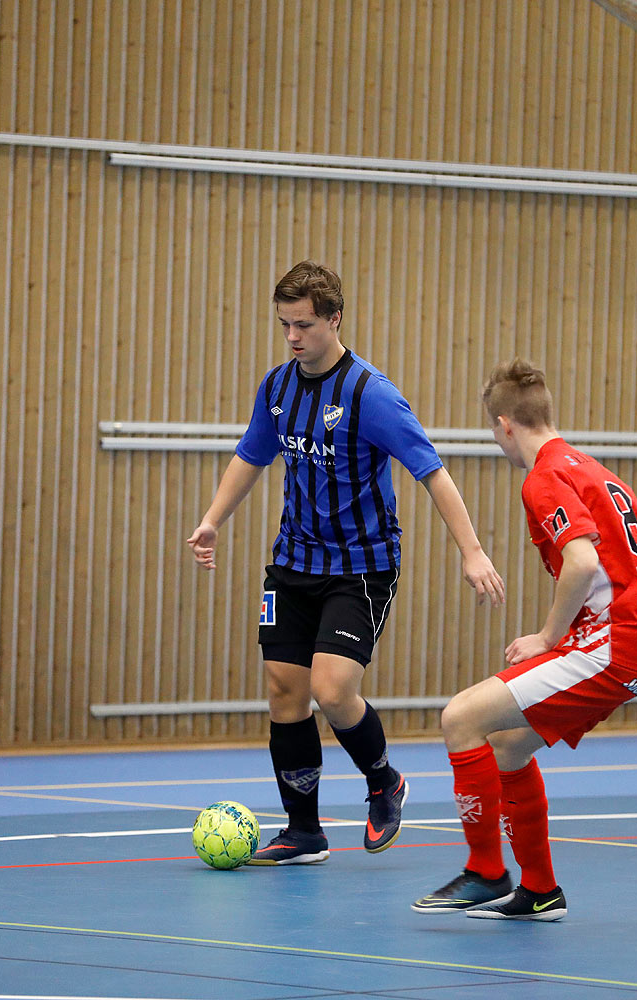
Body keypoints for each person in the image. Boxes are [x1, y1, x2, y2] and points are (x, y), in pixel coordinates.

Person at [187, 261, 505, 865]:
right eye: (284, 325)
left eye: (304, 324)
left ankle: (383, 780)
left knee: (332, 689)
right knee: (286, 691)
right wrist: (213, 519)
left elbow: (432, 473)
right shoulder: (276, 389)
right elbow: (250, 455)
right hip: (292, 563)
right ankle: (304, 832)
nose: (292, 337)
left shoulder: (371, 394)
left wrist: (472, 551)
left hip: (360, 568)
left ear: (335, 319)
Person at [412, 359, 637, 920]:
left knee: (460, 718)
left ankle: (485, 872)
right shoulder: (596, 471)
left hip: (610, 644)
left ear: (504, 425)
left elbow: (581, 561)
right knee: (506, 746)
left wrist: (549, 637)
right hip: (631, 642)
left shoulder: (544, 477)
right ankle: (541, 889)